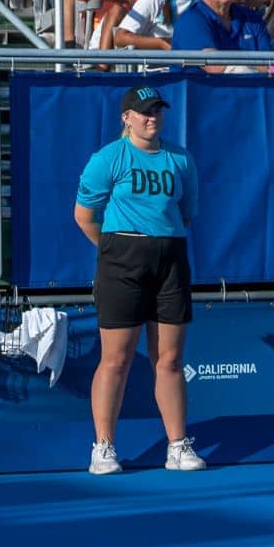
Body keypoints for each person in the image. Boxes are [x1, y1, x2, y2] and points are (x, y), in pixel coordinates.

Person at [75, 86, 205, 476]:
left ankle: (178, 445)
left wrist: (155, 244)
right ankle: (103, 446)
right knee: (117, 359)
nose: (152, 118)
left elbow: (185, 214)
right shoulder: (109, 159)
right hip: (122, 261)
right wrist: (114, 250)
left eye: (158, 111)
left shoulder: (180, 158)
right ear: (126, 117)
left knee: (170, 359)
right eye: (144, 112)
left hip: (170, 260)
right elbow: (84, 216)